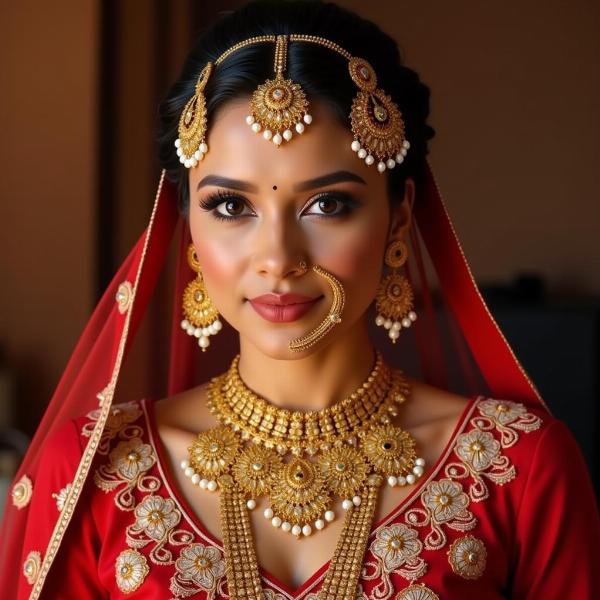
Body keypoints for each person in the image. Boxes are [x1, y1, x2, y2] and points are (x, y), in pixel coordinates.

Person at [2, 1, 599, 598]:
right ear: (187, 227)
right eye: (231, 206)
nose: (279, 258)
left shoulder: (515, 468)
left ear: (399, 218)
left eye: (328, 204)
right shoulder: (94, 471)